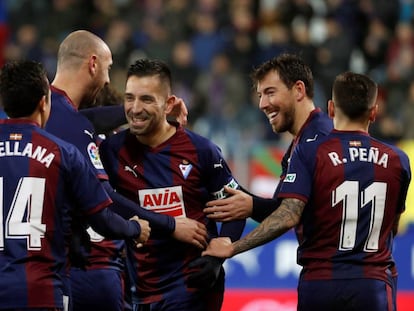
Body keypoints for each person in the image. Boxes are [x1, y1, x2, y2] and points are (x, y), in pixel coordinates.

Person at [203, 71, 411, 311]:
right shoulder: (399, 160)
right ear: (374, 112)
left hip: (321, 283)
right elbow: (393, 226)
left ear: (331, 109)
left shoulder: (311, 151)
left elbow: (288, 215)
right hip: (373, 285)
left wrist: (233, 247)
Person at [45, 30, 208, 311]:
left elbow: (83, 120)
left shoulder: (49, 112)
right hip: (70, 272)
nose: (108, 79)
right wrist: (168, 225)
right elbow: (105, 196)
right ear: (93, 64)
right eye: (108, 68)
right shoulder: (67, 121)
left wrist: (138, 109)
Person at [0, 60, 150, 310]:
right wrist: (135, 229)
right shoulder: (64, 154)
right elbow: (102, 217)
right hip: (43, 292)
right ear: (44, 102)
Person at [99, 58, 246, 311]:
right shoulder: (112, 151)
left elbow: (236, 206)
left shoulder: (201, 150)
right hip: (139, 290)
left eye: (146, 99)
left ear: (169, 104)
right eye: (129, 98)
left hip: (191, 287)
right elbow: (107, 201)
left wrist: (217, 256)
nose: (134, 108)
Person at [204, 53, 333, 222]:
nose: (262, 104)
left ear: (299, 90)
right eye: (260, 96)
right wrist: (239, 195)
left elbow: (287, 217)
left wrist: (232, 248)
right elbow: (279, 209)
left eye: (270, 92)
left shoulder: (320, 139)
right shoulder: (302, 140)